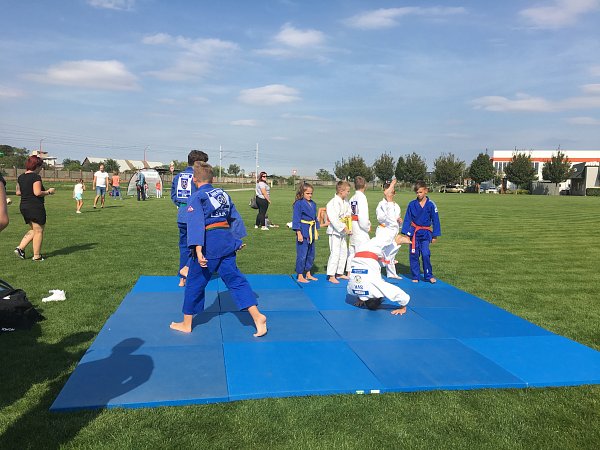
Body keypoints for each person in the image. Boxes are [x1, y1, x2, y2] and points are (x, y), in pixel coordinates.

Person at [170, 161, 267, 337]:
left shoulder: (197, 197)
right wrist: (236, 240)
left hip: (209, 244)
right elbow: (234, 216)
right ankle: (257, 316)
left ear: (194, 179)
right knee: (236, 280)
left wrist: (198, 250)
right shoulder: (222, 193)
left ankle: (186, 324)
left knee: (194, 282)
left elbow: (196, 224)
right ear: (212, 179)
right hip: (226, 242)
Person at [347, 234, 412, 315]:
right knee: (385, 259)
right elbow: (360, 286)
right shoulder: (351, 291)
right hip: (359, 254)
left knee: (389, 234)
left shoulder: (376, 290)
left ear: (377, 297)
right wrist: (361, 299)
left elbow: (397, 293)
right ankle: (395, 244)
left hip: (372, 251)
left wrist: (403, 307)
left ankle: (398, 241)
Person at [172, 150, 209, 287]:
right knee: (198, 244)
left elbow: (173, 196)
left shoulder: (178, 176)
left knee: (183, 247)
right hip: (195, 214)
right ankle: (188, 270)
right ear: (197, 163)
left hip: (182, 215)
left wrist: (181, 205)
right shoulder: (197, 176)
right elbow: (202, 195)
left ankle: (182, 279)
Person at [14, 155, 55, 261]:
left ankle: (20, 248)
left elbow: (18, 192)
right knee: (39, 231)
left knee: (35, 229)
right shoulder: (36, 177)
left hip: (24, 206)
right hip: (35, 207)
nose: (41, 169)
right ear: (36, 166)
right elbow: (37, 192)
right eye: (40, 166)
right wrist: (49, 192)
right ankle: (37, 256)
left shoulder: (20, 177)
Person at [401, 180, 441, 283]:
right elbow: (407, 219)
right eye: (417, 192)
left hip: (425, 233)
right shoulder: (412, 204)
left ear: (426, 191)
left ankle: (428, 275)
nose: (419, 194)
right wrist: (405, 234)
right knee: (414, 254)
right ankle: (415, 276)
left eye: (420, 192)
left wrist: (435, 235)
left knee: (425, 253)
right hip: (414, 233)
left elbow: (435, 220)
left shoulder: (431, 204)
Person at [375, 179, 403, 278]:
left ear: (394, 193)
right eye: (388, 192)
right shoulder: (381, 204)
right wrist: (391, 218)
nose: (390, 194)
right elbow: (380, 218)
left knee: (392, 252)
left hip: (393, 231)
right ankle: (375, 272)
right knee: (380, 252)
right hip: (383, 230)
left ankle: (391, 273)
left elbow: (397, 221)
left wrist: (399, 221)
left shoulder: (397, 206)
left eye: (392, 192)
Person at [292, 182, 320, 283]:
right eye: (307, 193)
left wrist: (316, 229)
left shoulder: (313, 204)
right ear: (302, 193)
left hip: (311, 231)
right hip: (303, 231)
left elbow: (315, 218)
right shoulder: (298, 204)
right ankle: (300, 275)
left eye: (311, 193)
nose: (310, 195)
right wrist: (298, 232)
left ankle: (308, 273)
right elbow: (296, 219)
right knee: (302, 254)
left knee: (311, 254)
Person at [325, 180, 352, 284]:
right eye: (347, 191)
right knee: (335, 253)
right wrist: (344, 228)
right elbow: (334, 219)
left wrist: (348, 225)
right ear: (341, 191)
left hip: (343, 231)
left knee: (344, 252)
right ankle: (331, 275)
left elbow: (348, 213)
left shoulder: (345, 201)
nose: (349, 193)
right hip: (335, 231)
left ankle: (339, 272)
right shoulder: (332, 203)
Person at [347, 176, 371, 276]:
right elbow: (363, 216)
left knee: (352, 251)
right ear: (365, 185)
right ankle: (359, 273)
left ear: (354, 186)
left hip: (352, 226)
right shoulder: (362, 197)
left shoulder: (352, 198)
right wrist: (367, 226)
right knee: (362, 251)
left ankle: (349, 272)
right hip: (360, 228)